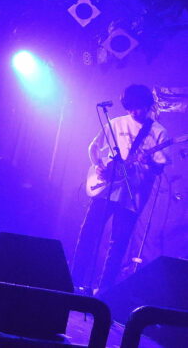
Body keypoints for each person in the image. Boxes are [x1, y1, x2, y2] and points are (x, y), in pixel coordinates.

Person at [71, 84, 170, 292]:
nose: (135, 112)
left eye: (139, 107)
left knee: (118, 245)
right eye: (130, 107)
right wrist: (98, 166)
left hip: (132, 197)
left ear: (148, 105)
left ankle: (104, 291)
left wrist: (149, 161)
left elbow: (159, 168)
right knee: (88, 234)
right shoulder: (116, 123)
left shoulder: (158, 132)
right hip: (105, 190)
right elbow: (93, 147)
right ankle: (73, 281)